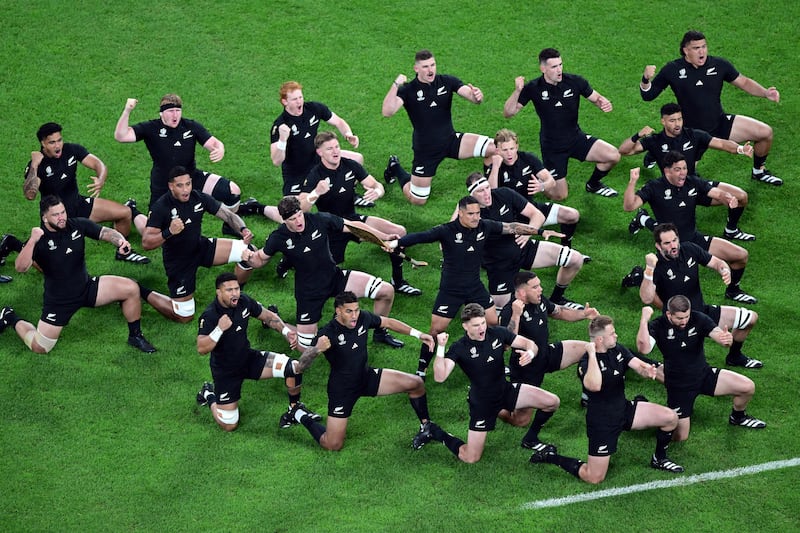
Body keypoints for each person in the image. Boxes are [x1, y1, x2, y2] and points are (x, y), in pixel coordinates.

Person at [385, 195, 552, 379]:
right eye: (471, 214)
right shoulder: (446, 231)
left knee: (494, 325)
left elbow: (511, 227)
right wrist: (396, 243)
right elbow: (420, 237)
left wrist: (538, 231)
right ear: (461, 214)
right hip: (450, 290)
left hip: (475, 288)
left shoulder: (484, 226)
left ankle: (496, 362)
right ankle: (421, 369)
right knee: (435, 331)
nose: (475, 217)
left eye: (478, 213)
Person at [529, 315, 684, 482]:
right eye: (612, 333)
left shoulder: (617, 349)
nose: (616, 336)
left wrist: (646, 370)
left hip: (624, 409)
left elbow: (636, 364)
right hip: (602, 423)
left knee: (670, 418)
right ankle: (551, 456)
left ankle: (659, 459)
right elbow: (594, 385)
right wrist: (592, 353)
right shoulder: (586, 362)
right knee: (593, 477)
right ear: (600, 339)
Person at [236, 195, 403, 350]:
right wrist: (248, 256)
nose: (298, 221)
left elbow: (353, 227)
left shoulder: (319, 220)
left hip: (335, 277)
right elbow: (260, 259)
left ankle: (380, 334)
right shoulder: (278, 237)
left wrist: (384, 238)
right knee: (306, 348)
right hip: (309, 293)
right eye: (292, 219)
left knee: (386, 291)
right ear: (284, 220)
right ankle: (275, 320)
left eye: (299, 215)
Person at [0, 195, 157, 354]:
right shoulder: (39, 240)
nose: (62, 218)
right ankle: (10, 317)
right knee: (40, 347)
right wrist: (33, 240)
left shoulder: (77, 225)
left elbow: (104, 232)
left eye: (63, 212)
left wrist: (120, 241)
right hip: (59, 302)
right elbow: (21, 267)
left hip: (86, 288)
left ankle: (135, 336)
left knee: (131, 288)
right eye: (56, 215)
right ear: (44, 218)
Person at [289, 291, 439, 451]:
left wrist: (419, 334)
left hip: (366, 377)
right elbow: (301, 365)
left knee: (416, 383)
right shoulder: (327, 333)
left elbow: (387, 322)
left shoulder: (363, 318)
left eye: (356, 310)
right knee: (332, 444)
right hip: (342, 389)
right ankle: (298, 413)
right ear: (338, 311)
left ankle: (426, 427)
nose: (354, 315)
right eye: (349, 311)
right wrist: (317, 349)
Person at [422, 304, 561, 463]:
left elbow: (530, 344)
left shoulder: (497, 333)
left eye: (483, 323)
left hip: (505, 390)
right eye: (476, 325)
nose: (481, 328)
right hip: (482, 404)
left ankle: (531, 438)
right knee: (471, 457)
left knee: (552, 402)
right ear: (465, 326)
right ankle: (435, 431)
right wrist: (440, 347)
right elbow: (440, 377)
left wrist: (530, 353)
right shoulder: (459, 348)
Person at [640, 30, 782, 186]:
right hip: (691, 133)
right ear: (686, 51)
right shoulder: (672, 69)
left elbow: (744, 82)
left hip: (718, 122)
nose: (702, 51)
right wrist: (646, 79)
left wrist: (765, 93)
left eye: (704, 46)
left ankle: (759, 172)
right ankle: (655, 151)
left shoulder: (719, 65)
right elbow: (648, 95)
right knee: (684, 180)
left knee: (765, 132)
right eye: (696, 48)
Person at [294, 132, 422, 296]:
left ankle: (398, 281)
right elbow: (301, 207)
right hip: (330, 227)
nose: (335, 151)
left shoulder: (350, 165)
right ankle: (288, 260)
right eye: (329, 149)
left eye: (337, 147)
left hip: (353, 218)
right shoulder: (315, 175)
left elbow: (375, 184)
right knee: (326, 277)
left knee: (399, 232)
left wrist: (377, 191)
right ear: (320, 153)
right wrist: (316, 193)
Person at [623, 151, 756, 304]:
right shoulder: (654, 187)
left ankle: (733, 291)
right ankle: (641, 277)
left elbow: (715, 193)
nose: (683, 173)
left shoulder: (692, 182)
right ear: (667, 171)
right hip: (671, 249)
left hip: (693, 240)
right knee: (670, 304)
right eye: (678, 169)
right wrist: (632, 182)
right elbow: (629, 206)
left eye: (685, 168)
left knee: (741, 255)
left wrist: (728, 198)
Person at [195, 272, 321, 431]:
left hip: (249, 359)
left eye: (237, 288)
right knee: (229, 425)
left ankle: (294, 409)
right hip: (226, 372)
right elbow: (201, 348)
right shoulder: (210, 315)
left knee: (294, 368)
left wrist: (286, 332)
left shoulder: (244, 301)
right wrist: (219, 329)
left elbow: (267, 316)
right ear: (218, 292)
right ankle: (209, 394)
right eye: (229, 290)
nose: (235, 293)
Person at [636, 296, 766, 444]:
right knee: (679, 437)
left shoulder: (698, 318)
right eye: (679, 318)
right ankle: (645, 409)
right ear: (668, 314)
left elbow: (716, 333)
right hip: (679, 386)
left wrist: (725, 339)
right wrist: (644, 321)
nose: (684, 321)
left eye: (686, 316)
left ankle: (737, 417)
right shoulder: (658, 325)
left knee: (747, 387)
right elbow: (644, 348)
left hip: (703, 375)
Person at [618, 103, 755, 241]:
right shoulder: (655, 141)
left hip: (695, 184)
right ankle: (643, 219)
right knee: (676, 236)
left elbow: (721, 143)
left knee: (741, 196)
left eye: (680, 119)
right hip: (671, 189)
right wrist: (638, 135)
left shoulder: (694, 135)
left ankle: (731, 230)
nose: (677, 124)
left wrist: (740, 149)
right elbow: (624, 150)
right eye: (672, 120)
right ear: (663, 121)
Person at [114, 94, 250, 229]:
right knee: (153, 231)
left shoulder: (191, 126)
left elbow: (213, 143)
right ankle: (132, 210)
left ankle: (230, 224)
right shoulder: (150, 128)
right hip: (164, 184)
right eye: (170, 111)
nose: (175, 115)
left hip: (191, 178)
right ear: (161, 113)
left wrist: (220, 148)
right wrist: (127, 110)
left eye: (178, 111)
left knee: (233, 191)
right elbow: (121, 136)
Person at [141, 166, 256, 323]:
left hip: (200, 247)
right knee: (184, 316)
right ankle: (140, 290)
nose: (185, 189)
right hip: (179, 261)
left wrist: (243, 229)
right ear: (171, 186)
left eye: (188, 184)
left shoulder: (198, 197)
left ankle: (236, 294)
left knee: (250, 253)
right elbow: (146, 242)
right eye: (180, 185)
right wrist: (169, 232)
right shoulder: (161, 207)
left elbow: (228, 215)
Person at [381, 49, 496, 205]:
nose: (430, 70)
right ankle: (396, 168)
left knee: (494, 148)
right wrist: (395, 84)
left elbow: (470, 95)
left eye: (433, 65)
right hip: (426, 151)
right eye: (425, 66)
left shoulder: (446, 81)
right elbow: (387, 111)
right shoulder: (408, 90)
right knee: (418, 200)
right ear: (416, 69)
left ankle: (490, 192)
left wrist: (476, 96)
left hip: (451, 141)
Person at [638, 223, 761, 369]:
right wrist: (649, 269)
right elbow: (646, 298)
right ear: (658, 246)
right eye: (667, 243)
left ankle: (734, 357)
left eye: (675, 240)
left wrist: (724, 270)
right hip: (678, 324)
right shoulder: (657, 267)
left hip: (701, 313)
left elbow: (716, 262)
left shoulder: (689, 249)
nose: (673, 245)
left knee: (750, 318)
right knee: (683, 366)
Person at [23, 122, 150, 263]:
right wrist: (34, 164)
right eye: (52, 142)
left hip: (78, 204)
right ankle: (13, 244)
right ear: (43, 143)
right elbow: (30, 194)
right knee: (52, 265)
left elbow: (98, 164)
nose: (58, 145)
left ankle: (123, 252)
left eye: (59, 140)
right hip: (56, 217)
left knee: (125, 212)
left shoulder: (71, 150)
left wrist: (100, 179)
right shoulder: (38, 165)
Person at [503, 48, 620, 199]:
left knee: (613, 155)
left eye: (560, 65)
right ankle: (539, 178)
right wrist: (517, 91)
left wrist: (604, 103)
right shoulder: (533, 88)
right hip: (553, 147)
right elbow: (508, 113)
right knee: (560, 195)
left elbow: (597, 98)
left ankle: (593, 184)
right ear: (543, 68)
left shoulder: (575, 81)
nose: (559, 70)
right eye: (554, 67)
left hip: (575, 138)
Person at [465, 172, 588, 310]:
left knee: (575, 259)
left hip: (524, 248)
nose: (487, 193)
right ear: (471, 195)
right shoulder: (469, 214)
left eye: (487, 187)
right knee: (500, 313)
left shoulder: (504, 194)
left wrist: (528, 233)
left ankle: (557, 298)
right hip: (499, 265)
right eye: (480, 191)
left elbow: (537, 215)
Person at [499, 271, 599, 411]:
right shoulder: (508, 312)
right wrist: (516, 315)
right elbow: (506, 345)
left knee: (589, 350)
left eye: (539, 285)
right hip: (526, 368)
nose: (541, 289)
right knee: (521, 420)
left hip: (546, 354)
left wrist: (583, 314)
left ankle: (587, 397)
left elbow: (560, 312)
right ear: (521, 292)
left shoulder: (539, 301)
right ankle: (495, 407)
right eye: (535, 287)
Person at [486, 128, 582, 247]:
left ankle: (566, 247)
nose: (509, 153)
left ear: (517, 146)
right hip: (509, 217)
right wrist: (495, 166)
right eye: (504, 150)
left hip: (531, 210)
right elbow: (491, 194)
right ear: (497, 150)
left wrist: (541, 186)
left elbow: (551, 181)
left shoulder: (527, 158)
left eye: (512, 148)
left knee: (572, 215)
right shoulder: (494, 167)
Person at [269, 81, 365, 197]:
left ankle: (348, 192)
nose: (300, 101)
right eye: (294, 99)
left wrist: (348, 134)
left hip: (318, 159)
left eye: (300, 97)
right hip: (296, 172)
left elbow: (338, 122)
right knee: (293, 211)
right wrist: (283, 140)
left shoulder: (313, 108)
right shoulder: (280, 125)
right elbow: (276, 161)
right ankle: (257, 207)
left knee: (357, 159)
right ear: (285, 102)